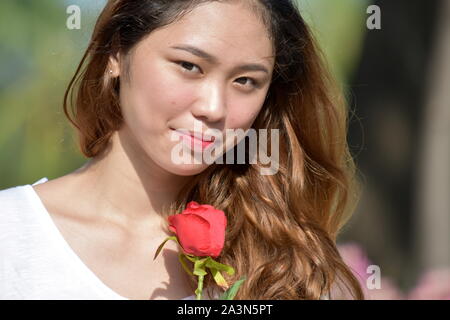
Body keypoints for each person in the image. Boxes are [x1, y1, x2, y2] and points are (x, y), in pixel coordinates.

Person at [0, 0, 364, 300]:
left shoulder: (293, 270)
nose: (214, 107)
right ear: (116, 54)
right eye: (189, 66)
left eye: (245, 81)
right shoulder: (11, 233)